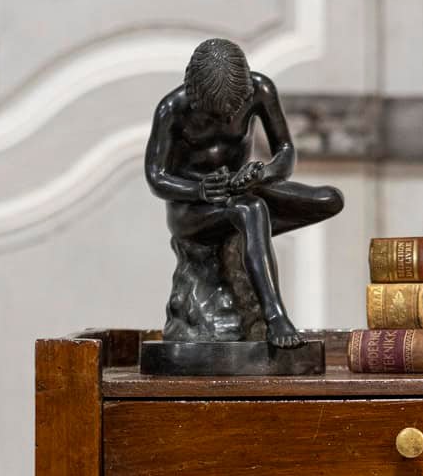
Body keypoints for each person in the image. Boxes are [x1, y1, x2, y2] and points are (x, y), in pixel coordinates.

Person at [145, 38, 344, 347]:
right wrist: (199, 189)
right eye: (214, 116)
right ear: (196, 95)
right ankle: (275, 316)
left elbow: (286, 152)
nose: (225, 122)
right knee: (251, 210)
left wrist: (263, 173)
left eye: (232, 112)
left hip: (244, 190)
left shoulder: (261, 90)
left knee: (329, 200)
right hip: (193, 210)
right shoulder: (172, 109)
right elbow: (156, 177)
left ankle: (252, 236)